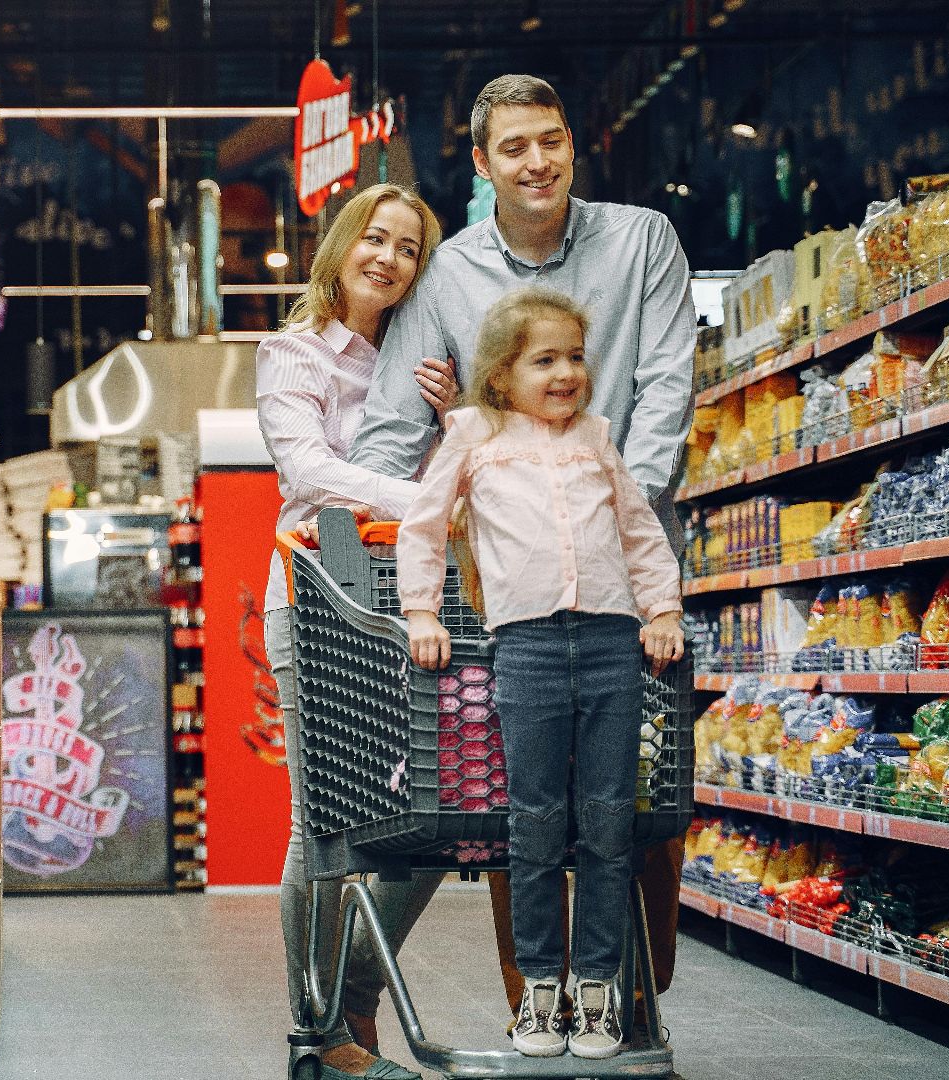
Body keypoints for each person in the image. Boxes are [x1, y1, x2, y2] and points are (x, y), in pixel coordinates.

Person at [340, 73, 697, 1052]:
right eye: (514, 147)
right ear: (481, 162)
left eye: (552, 140)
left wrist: (613, 499)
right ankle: (537, 995)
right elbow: (387, 433)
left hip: (631, 580)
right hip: (510, 596)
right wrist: (379, 501)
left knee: (642, 802)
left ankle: (629, 992)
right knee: (521, 804)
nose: (536, 161)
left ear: (573, 143)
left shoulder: (641, 244)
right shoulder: (448, 276)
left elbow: (668, 385)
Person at [396, 287, 684, 1058]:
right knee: (532, 823)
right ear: (500, 376)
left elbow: (637, 529)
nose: (566, 373)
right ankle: (538, 992)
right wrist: (421, 611)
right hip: (521, 648)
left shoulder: (596, 437)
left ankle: (597, 990)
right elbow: (423, 525)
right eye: (544, 359)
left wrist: (662, 609)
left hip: (612, 643)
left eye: (576, 358)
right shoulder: (472, 434)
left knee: (605, 822)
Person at [256, 181, 456, 1080]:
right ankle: (313, 1021)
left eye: (408, 248)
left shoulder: (425, 364)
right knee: (325, 821)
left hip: (413, 604)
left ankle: (360, 993)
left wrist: (453, 416)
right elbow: (308, 471)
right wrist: (427, 501)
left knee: (438, 815)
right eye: (374, 238)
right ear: (342, 245)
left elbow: (471, 458)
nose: (388, 257)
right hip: (317, 598)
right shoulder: (293, 352)